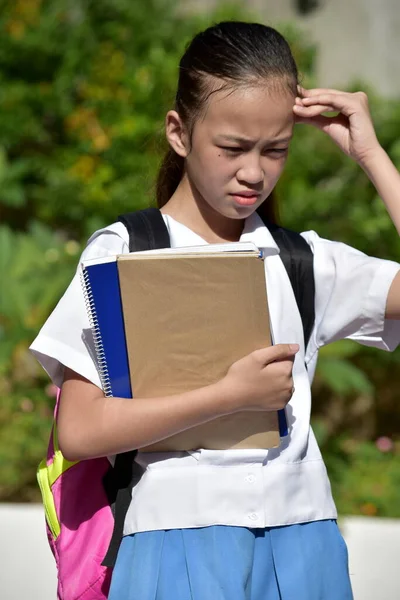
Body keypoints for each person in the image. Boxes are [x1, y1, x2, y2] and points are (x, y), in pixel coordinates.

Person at [30, 21, 400, 600]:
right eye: (231, 148)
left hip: (305, 540)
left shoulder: (302, 260)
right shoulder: (125, 252)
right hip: (172, 539)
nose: (254, 172)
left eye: (275, 149)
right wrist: (228, 397)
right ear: (179, 132)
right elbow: (78, 431)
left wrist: (371, 155)